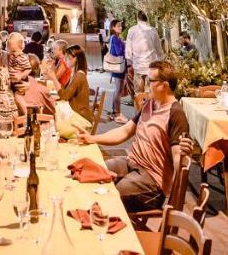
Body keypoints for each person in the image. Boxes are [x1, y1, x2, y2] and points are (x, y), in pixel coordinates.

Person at [76, 60, 189, 213]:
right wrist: (92, 138)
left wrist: (183, 155)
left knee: (109, 196)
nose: (146, 83)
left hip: (152, 181)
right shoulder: (150, 104)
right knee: (94, 173)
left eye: (150, 81)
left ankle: (105, 229)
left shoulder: (176, 113)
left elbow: (178, 160)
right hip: (131, 163)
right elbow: (124, 131)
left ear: (165, 85)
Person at [125, 12, 162, 104]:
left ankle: (139, 116)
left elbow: (128, 51)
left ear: (137, 18)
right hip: (151, 67)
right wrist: (160, 61)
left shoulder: (132, 30)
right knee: (149, 94)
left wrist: (130, 62)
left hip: (138, 67)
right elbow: (159, 50)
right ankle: (149, 115)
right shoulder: (153, 30)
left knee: (138, 96)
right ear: (147, 18)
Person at [58, 44, 92, 122]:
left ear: (75, 59)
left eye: (67, 58)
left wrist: (54, 79)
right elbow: (65, 93)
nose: (65, 60)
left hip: (80, 117)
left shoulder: (79, 76)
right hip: (75, 112)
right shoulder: (75, 73)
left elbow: (64, 97)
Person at [105, 19, 128, 123]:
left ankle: (116, 112)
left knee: (118, 91)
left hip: (120, 67)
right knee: (118, 91)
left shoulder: (118, 38)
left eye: (121, 26)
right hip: (117, 67)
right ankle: (116, 113)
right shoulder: (114, 38)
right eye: (118, 26)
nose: (121, 27)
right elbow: (118, 52)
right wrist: (125, 46)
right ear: (113, 27)